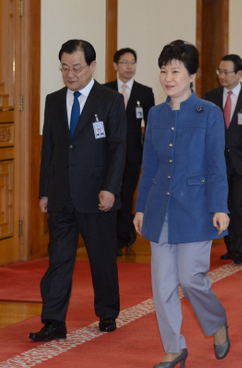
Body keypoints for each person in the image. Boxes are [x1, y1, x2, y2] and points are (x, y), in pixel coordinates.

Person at [133, 40, 231, 367]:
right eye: (163, 70)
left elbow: (217, 165)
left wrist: (220, 207)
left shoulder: (209, 113)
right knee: (162, 286)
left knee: (191, 279)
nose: (167, 77)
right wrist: (141, 207)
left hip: (196, 208)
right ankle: (175, 348)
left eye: (175, 70)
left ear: (192, 75)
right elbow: (150, 166)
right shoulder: (156, 114)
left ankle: (216, 322)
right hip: (159, 208)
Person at [31, 39, 126, 341]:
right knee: (58, 260)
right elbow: (50, 148)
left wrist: (110, 188)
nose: (70, 74)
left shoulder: (109, 99)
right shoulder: (54, 99)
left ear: (92, 66)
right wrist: (44, 190)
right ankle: (54, 321)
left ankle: (108, 311)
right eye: (65, 68)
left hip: (96, 194)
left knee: (101, 257)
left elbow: (118, 148)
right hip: (61, 195)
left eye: (77, 68)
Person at [204, 54, 242, 265]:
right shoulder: (210, 96)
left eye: (226, 72)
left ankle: (239, 248)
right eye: (219, 71)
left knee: (239, 204)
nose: (222, 76)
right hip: (218, 161)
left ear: (239, 74)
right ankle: (229, 246)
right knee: (223, 203)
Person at [104, 48, 155, 256]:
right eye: (124, 62)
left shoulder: (145, 92)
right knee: (110, 195)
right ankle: (110, 237)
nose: (129, 67)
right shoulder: (105, 90)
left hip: (134, 155)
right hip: (108, 155)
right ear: (115, 65)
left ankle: (122, 238)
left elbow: (150, 126)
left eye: (132, 62)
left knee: (125, 196)